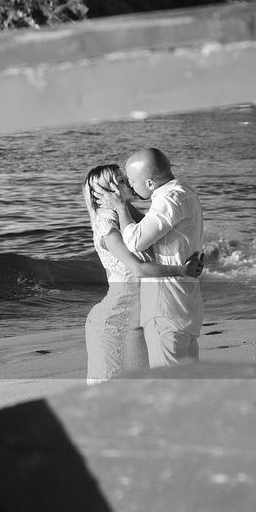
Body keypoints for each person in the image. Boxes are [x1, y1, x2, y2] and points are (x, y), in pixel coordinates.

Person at [82, 164, 201, 383]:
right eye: (120, 180)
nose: (128, 181)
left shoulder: (129, 215)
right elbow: (138, 268)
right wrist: (182, 270)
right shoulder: (107, 227)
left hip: (143, 314)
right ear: (107, 191)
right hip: (118, 317)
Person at [104, 148, 205, 367]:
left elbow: (134, 241)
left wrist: (121, 207)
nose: (130, 186)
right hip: (188, 306)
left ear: (150, 183)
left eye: (132, 181)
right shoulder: (185, 191)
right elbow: (153, 225)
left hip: (167, 307)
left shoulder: (169, 200)